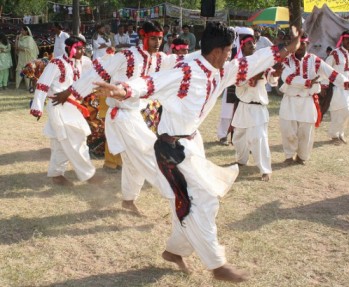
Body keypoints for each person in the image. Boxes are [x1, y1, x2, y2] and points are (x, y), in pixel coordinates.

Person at [90, 22, 302, 282]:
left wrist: (287, 48)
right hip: (172, 150)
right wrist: (123, 90)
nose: (230, 56)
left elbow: (253, 62)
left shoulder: (221, 71)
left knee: (189, 202)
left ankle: (175, 250)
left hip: (193, 144)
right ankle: (217, 265)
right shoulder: (186, 72)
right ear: (216, 52)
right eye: (228, 51)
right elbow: (150, 82)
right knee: (204, 199)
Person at [55, 21, 199, 215]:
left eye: (160, 38)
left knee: (133, 162)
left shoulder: (161, 59)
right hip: (121, 116)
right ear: (143, 36)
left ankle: (129, 200)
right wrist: (71, 92)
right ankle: (177, 197)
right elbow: (96, 73)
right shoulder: (125, 56)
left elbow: (186, 59)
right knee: (152, 154)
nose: (157, 42)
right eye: (153, 38)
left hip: (134, 116)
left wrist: (210, 52)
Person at [30, 36, 103, 186]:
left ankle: (56, 174)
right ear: (69, 48)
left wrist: (109, 55)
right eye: (78, 48)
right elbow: (43, 84)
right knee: (76, 137)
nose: (81, 51)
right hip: (58, 105)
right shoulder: (56, 63)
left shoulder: (84, 62)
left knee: (60, 141)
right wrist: (37, 107)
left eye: (83, 48)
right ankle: (88, 174)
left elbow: (97, 71)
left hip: (73, 105)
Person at [280, 34, 349, 165]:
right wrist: (308, 81)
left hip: (307, 100)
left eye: (303, 43)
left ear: (307, 44)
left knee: (306, 130)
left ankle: (302, 157)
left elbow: (331, 73)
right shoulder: (287, 60)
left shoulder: (315, 60)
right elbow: (287, 78)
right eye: (298, 43)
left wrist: (346, 83)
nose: (300, 46)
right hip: (290, 99)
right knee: (288, 129)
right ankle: (289, 156)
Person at [231, 27, 281, 181]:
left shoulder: (261, 63)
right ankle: (241, 160)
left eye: (253, 43)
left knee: (258, 138)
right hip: (244, 106)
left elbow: (271, 79)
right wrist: (256, 75)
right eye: (249, 44)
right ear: (243, 47)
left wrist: (276, 74)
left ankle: (265, 170)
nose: (253, 46)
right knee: (238, 137)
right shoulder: (238, 64)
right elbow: (240, 83)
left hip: (258, 107)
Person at [322, 31, 349, 145]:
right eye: (347, 39)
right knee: (337, 111)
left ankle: (341, 133)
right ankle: (334, 135)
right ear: (342, 40)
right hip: (337, 87)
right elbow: (326, 69)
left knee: (347, 112)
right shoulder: (335, 53)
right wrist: (324, 86)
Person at [15, 26, 39, 90]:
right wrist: (17, 39)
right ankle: (16, 86)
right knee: (19, 70)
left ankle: (28, 87)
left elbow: (29, 48)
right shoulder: (20, 38)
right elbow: (16, 47)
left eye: (23, 30)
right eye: (21, 30)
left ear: (26, 31)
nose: (21, 32)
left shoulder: (30, 39)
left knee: (27, 71)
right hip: (21, 57)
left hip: (28, 57)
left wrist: (20, 48)